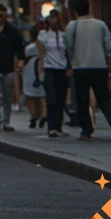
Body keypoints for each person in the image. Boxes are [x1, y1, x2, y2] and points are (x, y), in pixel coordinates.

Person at [65, 0, 111, 142]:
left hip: (80, 67)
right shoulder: (100, 24)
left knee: (82, 100)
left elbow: (68, 44)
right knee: (104, 99)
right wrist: (107, 61)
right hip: (99, 66)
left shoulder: (73, 26)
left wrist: (73, 59)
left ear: (75, 11)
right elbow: (108, 46)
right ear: (90, 9)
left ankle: (86, 131)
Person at [38, 9, 69, 138]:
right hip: (49, 68)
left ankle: (59, 126)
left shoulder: (64, 35)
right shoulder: (43, 35)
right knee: (51, 98)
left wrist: (69, 67)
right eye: (51, 17)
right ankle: (51, 126)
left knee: (61, 98)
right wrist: (41, 71)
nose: (53, 20)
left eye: (55, 17)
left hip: (62, 69)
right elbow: (41, 54)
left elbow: (68, 52)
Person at [22, 24, 46, 129]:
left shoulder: (29, 48)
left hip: (30, 69)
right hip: (42, 68)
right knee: (42, 95)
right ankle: (43, 115)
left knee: (30, 95)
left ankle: (33, 116)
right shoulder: (46, 47)